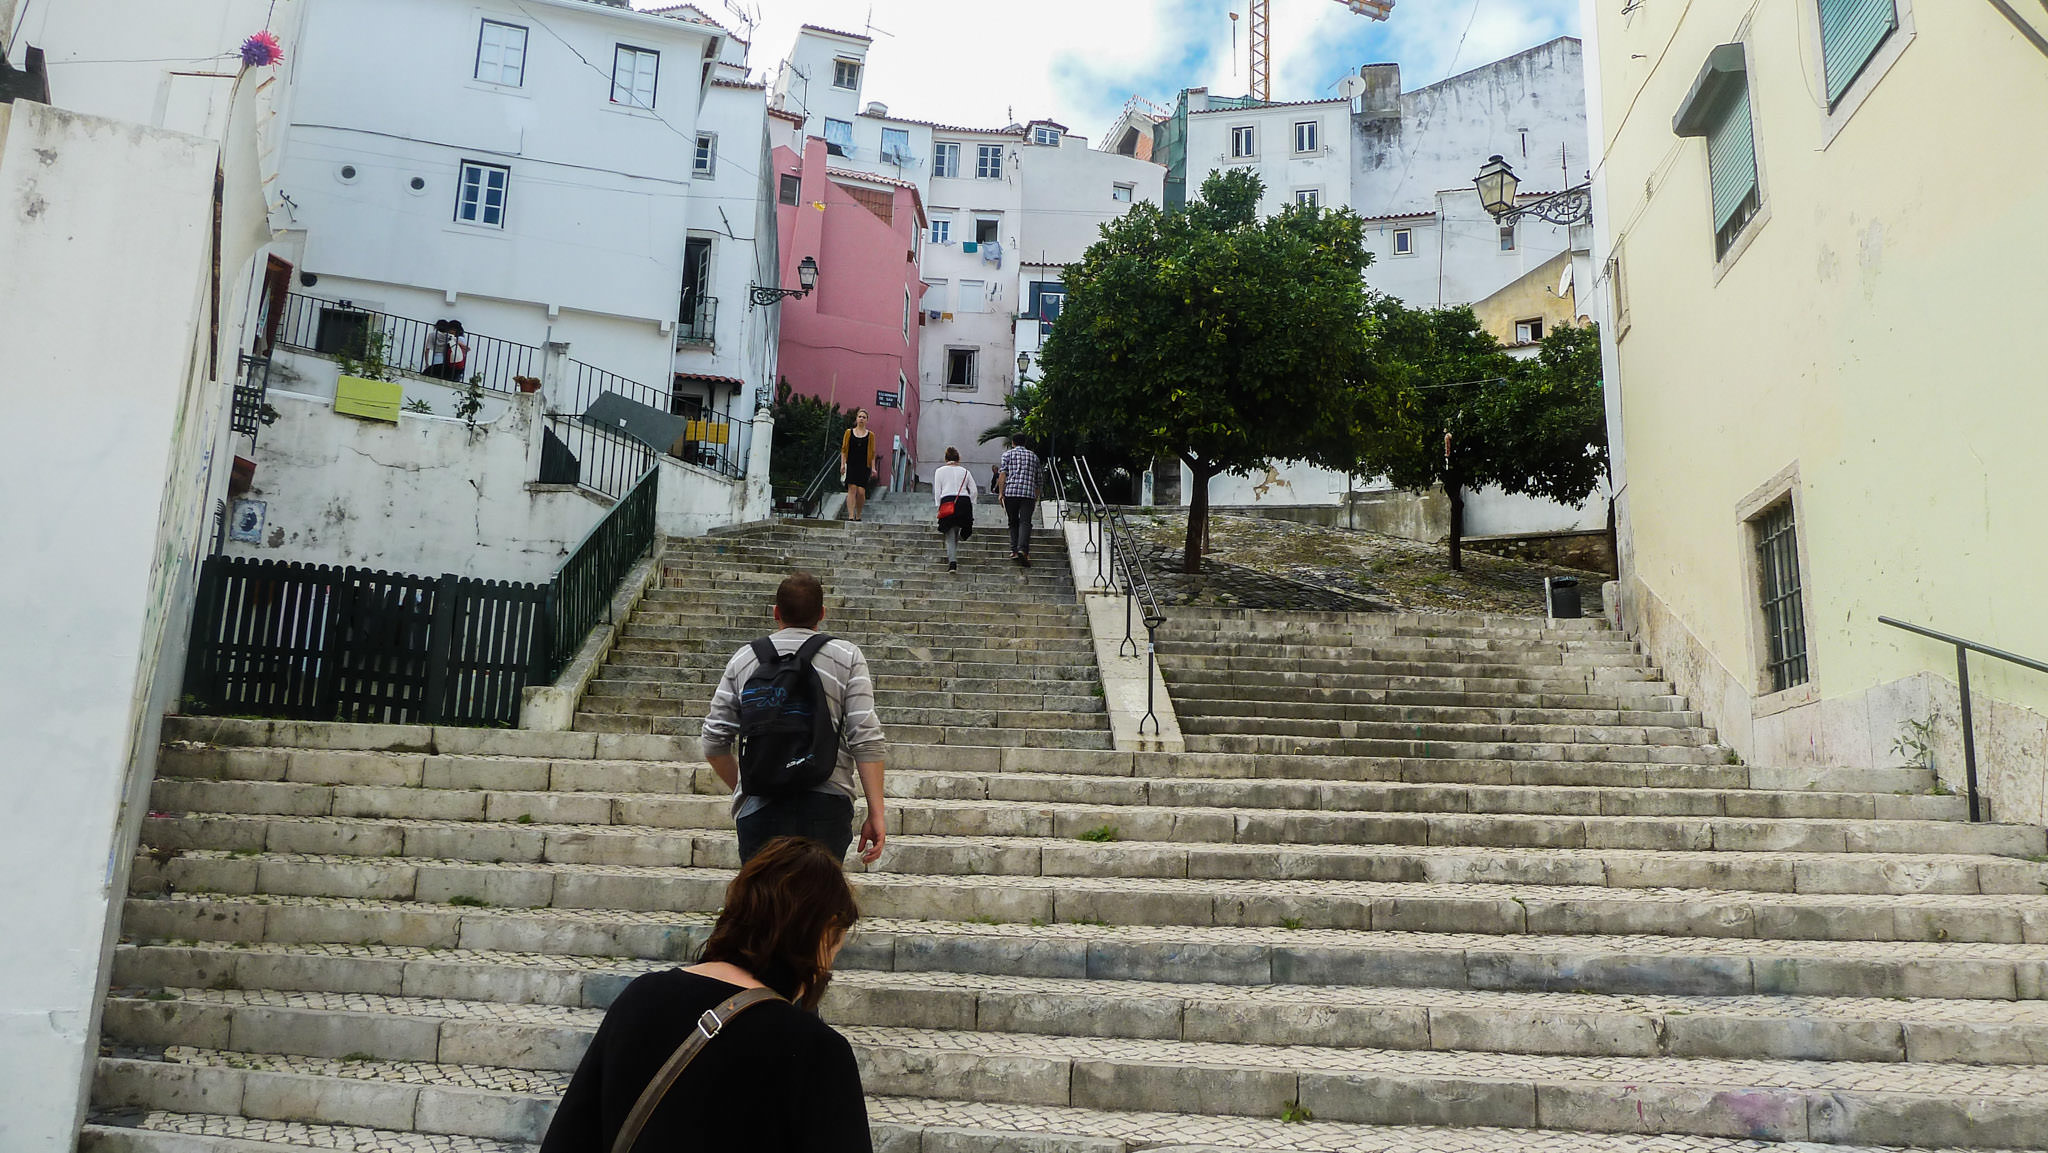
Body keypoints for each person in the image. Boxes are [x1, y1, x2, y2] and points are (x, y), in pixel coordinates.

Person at [537, 837, 872, 1153]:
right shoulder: (817, 1052)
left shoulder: (641, 998)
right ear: (824, 932)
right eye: (835, 947)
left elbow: (568, 1140)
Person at [700, 572, 886, 864]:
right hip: (827, 803)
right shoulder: (846, 656)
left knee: (764, 905)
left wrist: (748, 785)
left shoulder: (744, 658)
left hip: (760, 807)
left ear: (776, 613)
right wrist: (876, 813)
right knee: (819, 905)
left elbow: (713, 741)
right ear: (822, 613)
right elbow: (865, 737)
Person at [995, 435, 1042, 567]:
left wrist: (1000, 493)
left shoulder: (1007, 455)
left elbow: (1002, 474)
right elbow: (1039, 481)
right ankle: (1023, 549)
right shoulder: (1034, 457)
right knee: (1025, 522)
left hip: (1011, 493)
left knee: (1013, 522)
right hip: (1028, 494)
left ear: (1013, 443)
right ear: (1025, 442)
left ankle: (1014, 550)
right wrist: (1035, 497)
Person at [932, 447, 978, 573]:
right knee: (957, 530)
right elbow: (973, 490)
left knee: (949, 533)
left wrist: (938, 506)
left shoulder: (939, 471)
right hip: (963, 502)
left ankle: (952, 563)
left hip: (947, 501)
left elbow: (938, 491)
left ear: (946, 458)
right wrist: (971, 502)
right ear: (958, 458)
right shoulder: (965, 472)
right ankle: (953, 557)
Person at [839, 410, 877, 522]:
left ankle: (858, 514)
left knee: (861, 492)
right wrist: (842, 465)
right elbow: (844, 449)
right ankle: (851, 516)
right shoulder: (849, 432)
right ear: (856, 418)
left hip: (864, 466)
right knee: (852, 489)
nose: (861, 419)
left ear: (867, 420)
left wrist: (873, 468)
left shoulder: (871, 435)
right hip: (851, 464)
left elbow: (872, 452)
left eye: (864, 417)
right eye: (859, 416)